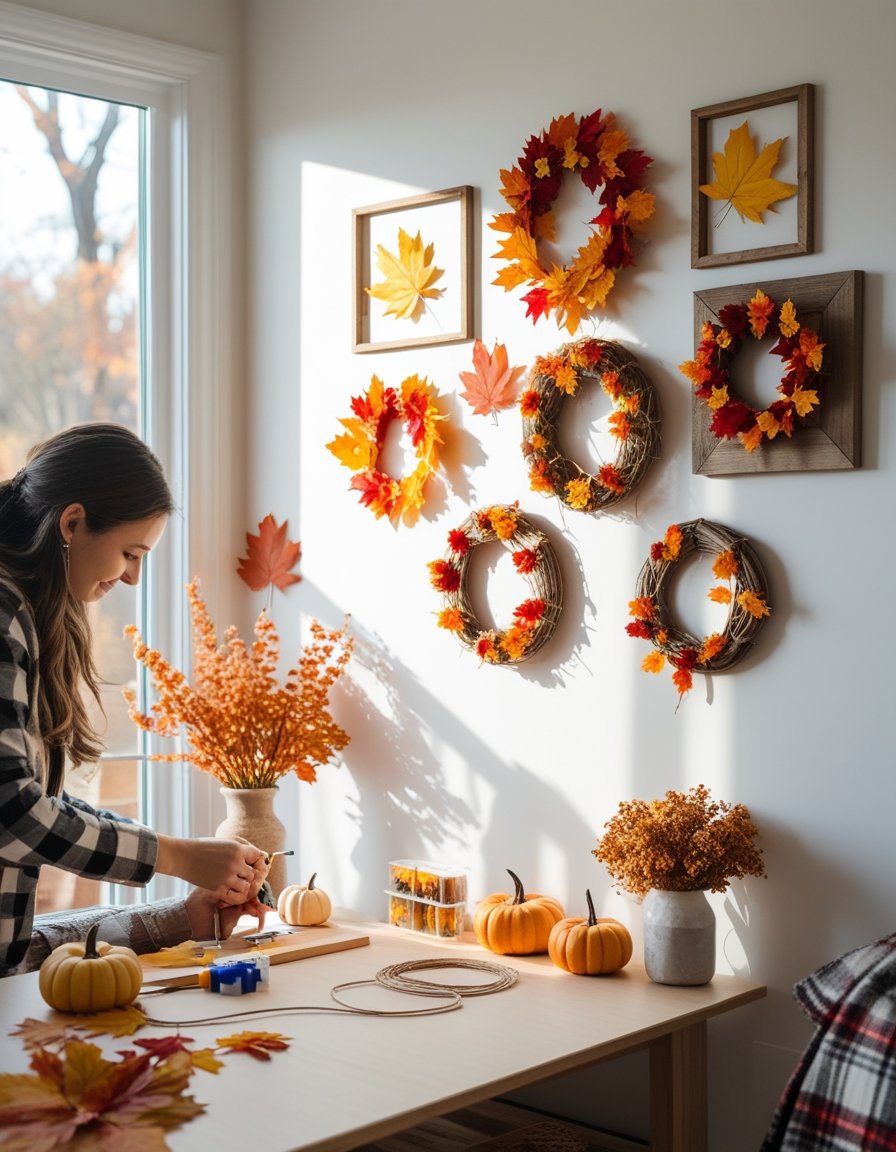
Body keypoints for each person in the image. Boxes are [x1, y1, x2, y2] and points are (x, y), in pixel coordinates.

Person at [0, 422, 270, 976]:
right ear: (71, 523)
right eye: (130, 552)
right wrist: (176, 856)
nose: (132, 578)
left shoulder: (22, 615)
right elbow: (15, 815)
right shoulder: (3, 615)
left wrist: (184, 918)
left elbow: (18, 952)